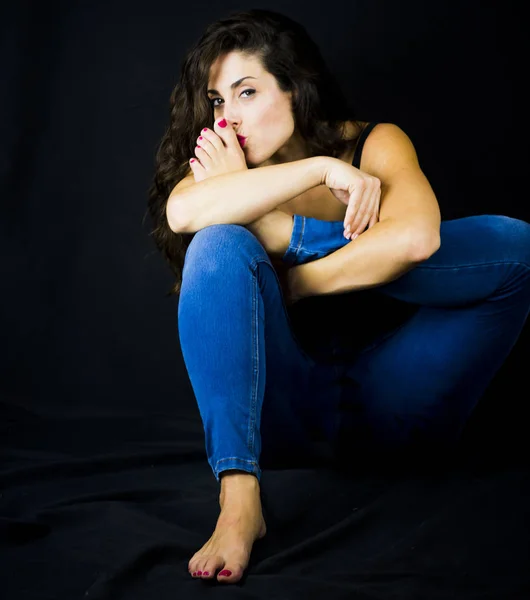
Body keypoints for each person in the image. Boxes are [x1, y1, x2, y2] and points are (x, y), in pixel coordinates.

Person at [146, 8, 530, 585]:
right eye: (218, 100)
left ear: (295, 88)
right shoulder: (219, 162)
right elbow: (182, 214)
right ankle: (239, 502)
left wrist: (291, 264)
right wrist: (317, 173)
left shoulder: (373, 143)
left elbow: (418, 238)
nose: (229, 117)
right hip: (284, 413)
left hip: (395, 398)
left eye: (247, 92)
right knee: (218, 242)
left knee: (517, 246)